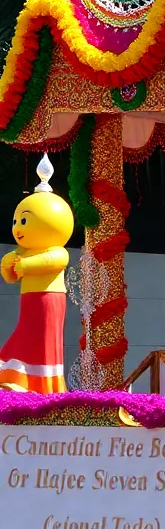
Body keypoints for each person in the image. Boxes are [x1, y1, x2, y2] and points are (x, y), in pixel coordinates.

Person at [0, 157, 73, 393]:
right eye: (17, 222)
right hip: (30, 299)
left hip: (50, 299)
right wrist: (9, 264)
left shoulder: (58, 250)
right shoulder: (24, 251)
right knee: (26, 333)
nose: (18, 228)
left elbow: (53, 260)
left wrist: (25, 266)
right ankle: (19, 378)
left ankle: (41, 384)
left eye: (24, 220)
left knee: (42, 340)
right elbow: (11, 274)